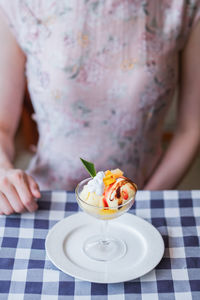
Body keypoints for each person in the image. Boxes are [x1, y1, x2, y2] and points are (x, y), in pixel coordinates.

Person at [0, 0, 199, 215]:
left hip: (141, 195)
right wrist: (3, 171)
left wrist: (136, 206)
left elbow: (190, 129)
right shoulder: (19, 4)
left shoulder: (183, 6)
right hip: (46, 201)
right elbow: (3, 124)